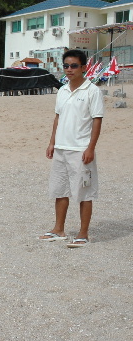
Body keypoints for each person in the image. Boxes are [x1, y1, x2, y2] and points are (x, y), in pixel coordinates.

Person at [40, 49, 103, 247]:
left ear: (83, 67)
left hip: (80, 149)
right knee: (60, 190)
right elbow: (57, 117)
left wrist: (90, 148)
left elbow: (97, 120)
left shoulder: (92, 91)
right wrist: (52, 142)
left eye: (74, 66)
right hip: (61, 148)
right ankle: (58, 229)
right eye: (66, 66)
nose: (69, 69)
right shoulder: (62, 90)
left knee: (84, 193)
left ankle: (83, 234)